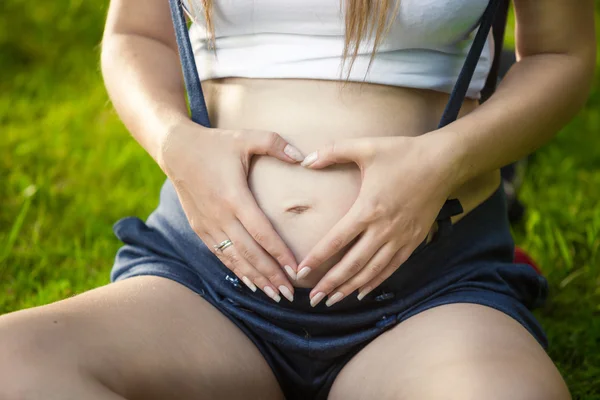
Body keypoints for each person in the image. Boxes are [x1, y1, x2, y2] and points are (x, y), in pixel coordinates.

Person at [0, 0, 594, 399]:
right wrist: (174, 141)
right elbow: (136, 34)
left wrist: (443, 161)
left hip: (427, 294)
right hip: (205, 291)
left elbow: (560, 54)